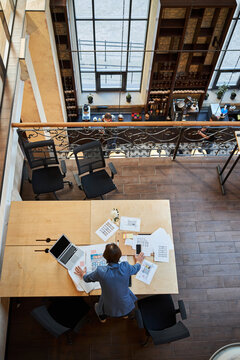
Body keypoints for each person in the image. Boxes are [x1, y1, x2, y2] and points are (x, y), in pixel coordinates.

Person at [74, 243, 144, 323]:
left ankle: (103, 318)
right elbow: (136, 269)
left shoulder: (101, 271)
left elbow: (87, 279)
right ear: (120, 255)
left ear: (104, 256)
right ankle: (125, 315)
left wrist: (82, 274)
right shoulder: (126, 267)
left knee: (97, 306)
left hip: (108, 304)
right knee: (124, 307)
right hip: (125, 303)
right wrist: (138, 261)